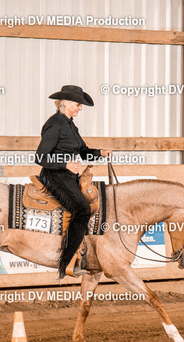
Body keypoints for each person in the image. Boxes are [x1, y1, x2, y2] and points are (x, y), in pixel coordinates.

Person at [35, 85, 111, 278]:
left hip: (67, 175)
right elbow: (40, 157)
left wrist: (100, 153)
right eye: (78, 104)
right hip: (54, 175)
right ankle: (66, 263)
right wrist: (65, 165)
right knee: (82, 209)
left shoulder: (70, 125)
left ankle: (82, 254)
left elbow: (83, 152)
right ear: (66, 103)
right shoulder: (55, 124)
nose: (80, 108)